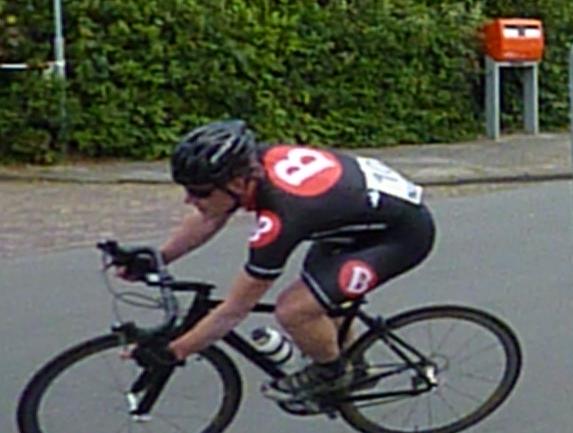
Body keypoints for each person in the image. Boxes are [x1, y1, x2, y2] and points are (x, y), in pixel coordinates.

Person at [120, 119, 436, 408]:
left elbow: (235, 310)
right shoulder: (248, 164)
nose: (189, 199)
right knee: (321, 293)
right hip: (353, 220)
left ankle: (332, 372)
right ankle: (354, 365)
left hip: (400, 236)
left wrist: (176, 351)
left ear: (237, 184)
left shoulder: (282, 218)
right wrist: (159, 258)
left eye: (199, 192)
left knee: (294, 310)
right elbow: (211, 216)